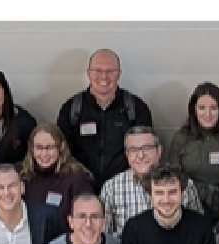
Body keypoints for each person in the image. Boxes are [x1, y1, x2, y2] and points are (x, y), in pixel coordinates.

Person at [56, 49, 154, 190]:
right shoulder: (71, 108)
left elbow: (146, 152)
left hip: (125, 188)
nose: (104, 76)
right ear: (88, 73)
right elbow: (62, 154)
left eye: (110, 71)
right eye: (98, 71)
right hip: (81, 187)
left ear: (119, 74)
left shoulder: (136, 108)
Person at [165, 82, 219, 220]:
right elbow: (173, 182)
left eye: (213, 108)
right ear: (194, 110)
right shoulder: (181, 139)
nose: (208, 114)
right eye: (202, 108)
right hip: (188, 213)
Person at [21, 125, 92, 219]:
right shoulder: (21, 175)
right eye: (39, 147)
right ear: (31, 149)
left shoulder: (76, 179)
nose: (44, 154)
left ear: (62, 146)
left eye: (50, 147)